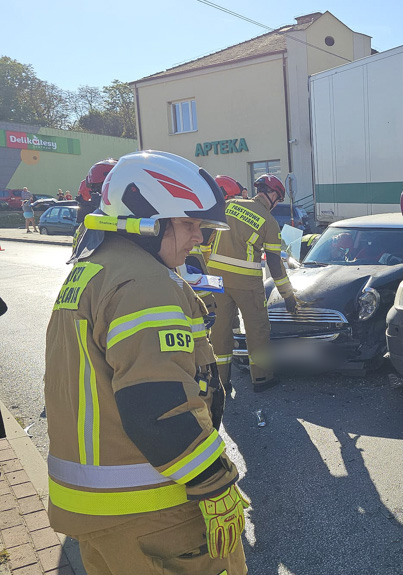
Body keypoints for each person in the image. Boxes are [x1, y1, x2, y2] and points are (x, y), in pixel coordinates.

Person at [44, 150, 248, 574]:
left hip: (98, 509)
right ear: (149, 218)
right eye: (189, 224)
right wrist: (214, 482)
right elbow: (158, 405)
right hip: (153, 508)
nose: (199, 237)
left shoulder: (92, 270)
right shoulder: (145, 283)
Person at [208, 174, 297, 392]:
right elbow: (275, 265)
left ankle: (221, 381)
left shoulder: (229, 204)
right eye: (278, 198)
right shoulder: (269, 222)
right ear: (274, 195)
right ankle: (262, 378)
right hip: (247, 284)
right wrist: (288, 296)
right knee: (257, 330)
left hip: (216, 281)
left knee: (220, 331)